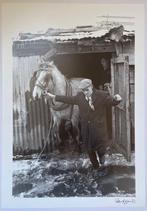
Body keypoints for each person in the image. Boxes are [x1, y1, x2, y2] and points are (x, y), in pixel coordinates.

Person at [44, 79, 122, 169]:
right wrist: (52, 96)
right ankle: (96, 167)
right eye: (83, 90)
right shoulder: (80, 97)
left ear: (91, 87)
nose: (85, 92)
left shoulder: (102, 95)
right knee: (89, 150)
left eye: (86, 90)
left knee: (101, 148)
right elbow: (67, 99)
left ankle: (101, 156)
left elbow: (111, 101)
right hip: (86, 129)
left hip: (99, 129)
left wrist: (117, 99)